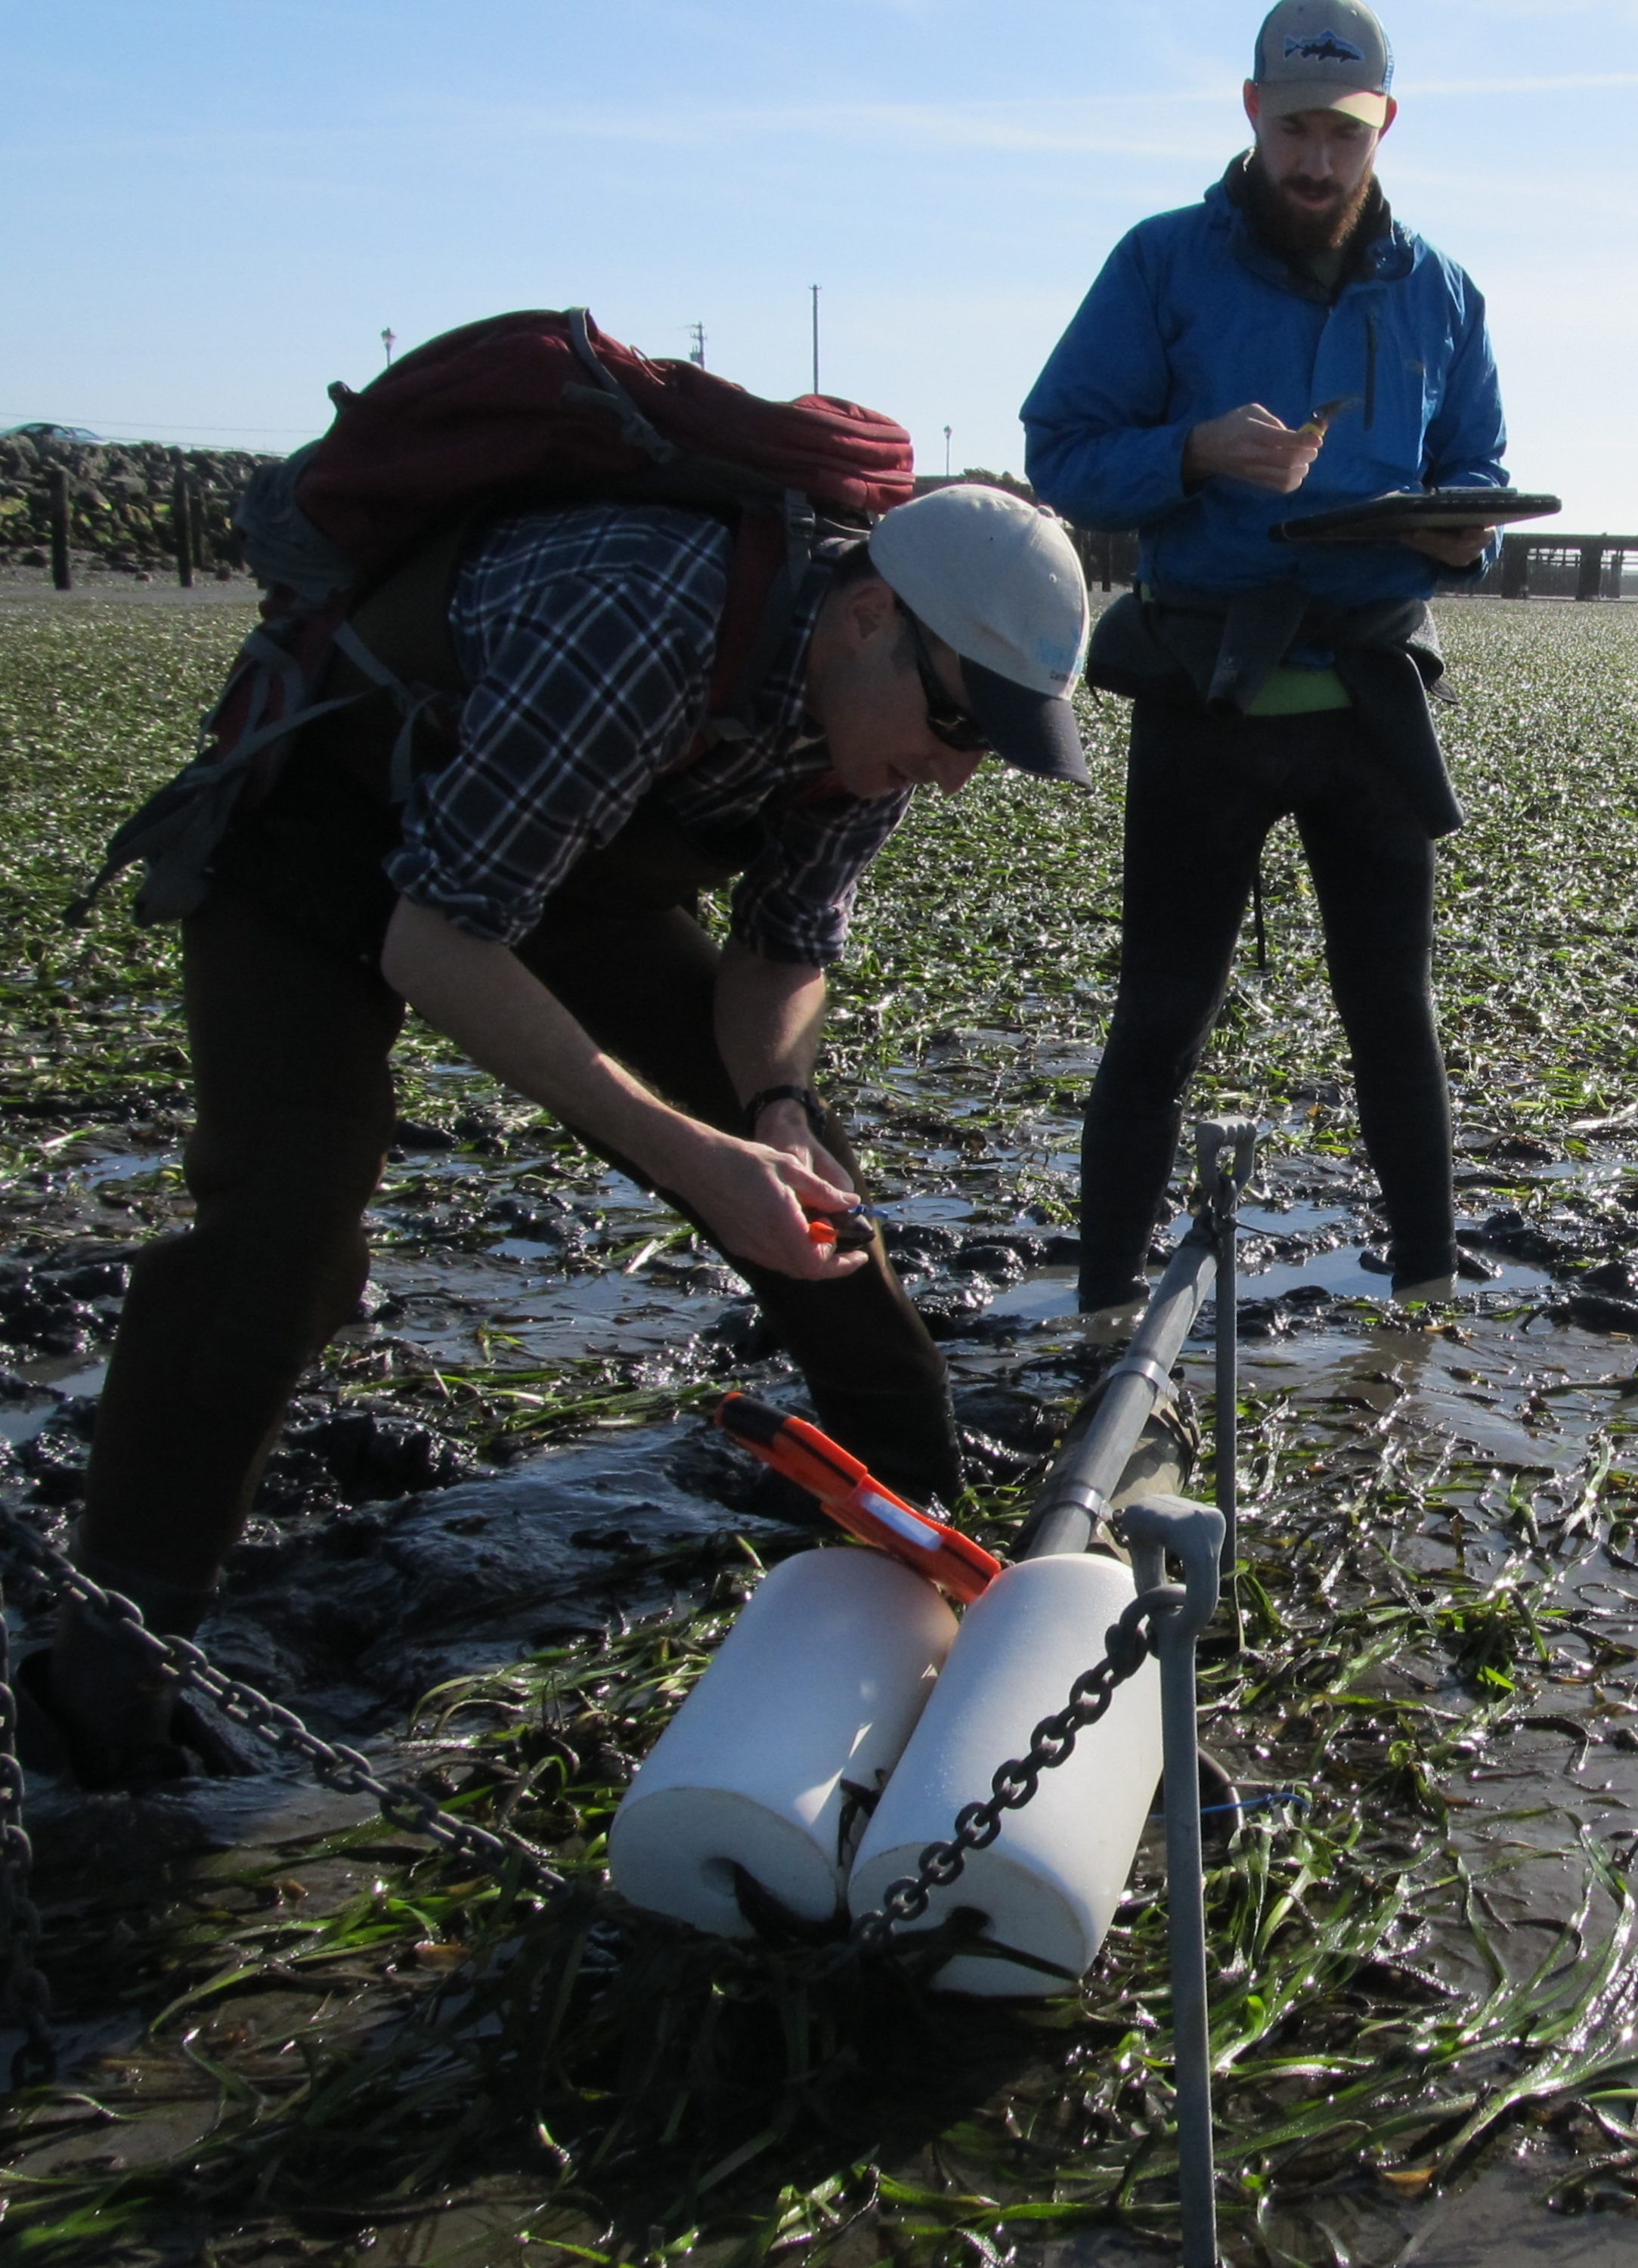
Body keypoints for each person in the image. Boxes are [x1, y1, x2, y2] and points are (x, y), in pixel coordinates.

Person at [23, 482, 1091, 1785]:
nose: (956, 766)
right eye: (958, 722)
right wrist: (685, 1155)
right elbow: (437, 938)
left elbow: (782, 949)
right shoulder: (643, 617)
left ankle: (914, 1506)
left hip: (562, 866)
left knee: (812, 1201)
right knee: (284, 1235)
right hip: (324, 852)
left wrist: (771, 1108)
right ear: (870, 612)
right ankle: (111, 1683)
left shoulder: (874, 715)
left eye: (989, 740)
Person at [1020, 0, 1511, 1318]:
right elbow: (1060, 450)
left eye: (1342, 135)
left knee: (1393, 1019)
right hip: (1207, 698)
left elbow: (1479, 475)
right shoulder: (1163, 264)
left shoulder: (1445, 291)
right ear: (1250, 112)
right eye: (1295, 127)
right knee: (1160, 1016)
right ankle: (1107, 1308)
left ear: (1382, 129)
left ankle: (1426, 1300)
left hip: (1371, 699)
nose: (1316, 160)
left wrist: (1460, 534)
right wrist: (1192, 452)